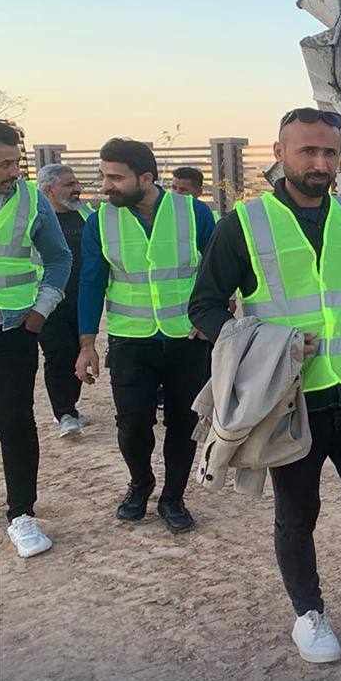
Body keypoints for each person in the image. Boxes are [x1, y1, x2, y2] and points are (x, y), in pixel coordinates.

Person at [189, 107, 341, 672]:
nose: (320, 163)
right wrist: (266, 348)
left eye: (330, 153)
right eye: (308, 152)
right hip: (290, 403)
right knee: (297, 516)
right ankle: (308, 614)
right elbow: (204, 306)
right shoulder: (245, 223)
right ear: (280, 154)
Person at [75, 139, 216, 534]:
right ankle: (140, 484)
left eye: (115, 177)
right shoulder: (100, 221)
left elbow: (218, 268)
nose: (106, 185)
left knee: (184, 422)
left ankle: (173, 497)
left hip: (187, 339)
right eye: (104, 176)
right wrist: (86, 345)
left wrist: (212, 316)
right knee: (132, 423)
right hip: (129, 340)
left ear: (146, 178)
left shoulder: (194, 212)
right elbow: (91, 282)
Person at [0, 122, 72, 558]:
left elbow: (59, 258)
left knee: (15, 421)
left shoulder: (31, 199)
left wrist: (42, 308)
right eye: (3, 164)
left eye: (15, 162)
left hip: (13, 332)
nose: (13, 171)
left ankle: (21, 514)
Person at [36, 163, 94, 438]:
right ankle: (65, 414)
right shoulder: (37, 220)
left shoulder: (87, 215)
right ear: (49, 190)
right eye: (69, 185)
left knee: (77, 353)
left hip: (83, 300)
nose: (77, 189)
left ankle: (70, 406)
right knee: (58, 355)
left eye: (76, 183)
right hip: (49, 301)